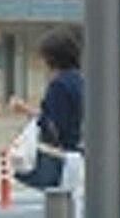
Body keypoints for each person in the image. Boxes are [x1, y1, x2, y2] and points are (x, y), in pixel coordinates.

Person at [10, 29, 83, 189]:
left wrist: (27, 112)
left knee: (61, 200)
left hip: (63, 157)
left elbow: (53, 124)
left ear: (52, 58)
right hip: (79, 154)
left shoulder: (59, 85)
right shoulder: (80, 80)